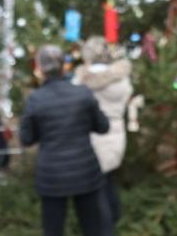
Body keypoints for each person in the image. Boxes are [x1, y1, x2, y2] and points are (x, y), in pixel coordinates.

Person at [20, 45, 113, 236]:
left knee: (53, 230)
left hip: (52, 176)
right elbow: (103, 126)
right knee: (95, 229)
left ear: (40, 68)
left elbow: (26, 138)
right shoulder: (83, 93)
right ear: (64, 66)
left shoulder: (35, 100)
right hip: (85, 171)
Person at [72, 37, 132, 225]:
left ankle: (103, 224)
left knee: (97, 186)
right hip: (116, 132)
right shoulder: (121, 78)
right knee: (107, 179)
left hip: (93, 136)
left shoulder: (82, 81)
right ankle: (113, 217)